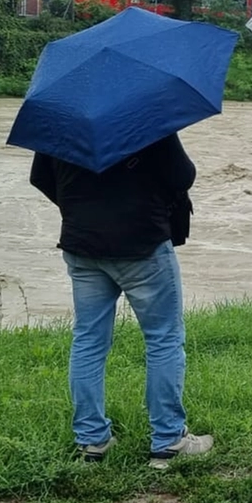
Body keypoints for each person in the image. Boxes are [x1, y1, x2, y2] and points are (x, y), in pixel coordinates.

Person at [30, 132, 214, 470]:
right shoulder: (146, 115)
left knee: (88, 341)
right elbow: (182, 175)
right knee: (163, 340)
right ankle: (169, 440)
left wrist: (81, 207)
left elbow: (39, 177)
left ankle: (92, 441)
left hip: (82, 243)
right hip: (142, 243)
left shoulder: (63, 116)